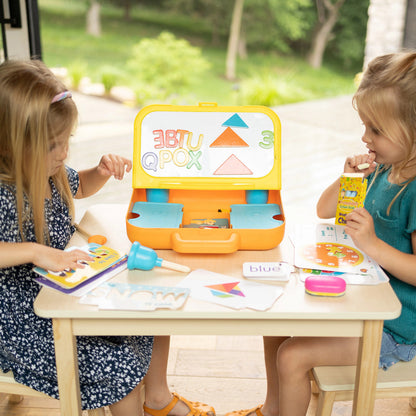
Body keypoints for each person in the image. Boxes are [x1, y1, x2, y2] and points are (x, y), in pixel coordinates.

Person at [0, 59, 215, 416]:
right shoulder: (4, 191)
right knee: (120, 368)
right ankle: (136, 400)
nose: (64, 152)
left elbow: (79, 185)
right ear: (9, 145)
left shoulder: (46, 170)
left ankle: (157, 400)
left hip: (63, 291)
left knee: (149, 316)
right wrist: (37, 252)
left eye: (66, 140)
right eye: (54, 145)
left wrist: (100, 171)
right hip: (24, 322)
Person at [225, 51, 416, 416]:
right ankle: (273, 409)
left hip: (394, 328)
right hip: (359, 299)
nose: (365, 137)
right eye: (364, 126)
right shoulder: (383, 168)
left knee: (293, 355)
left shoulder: (414, 191)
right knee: (275, 322)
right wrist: (349, 180)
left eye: (375, 129)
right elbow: (325, 211)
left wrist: (373, 246)